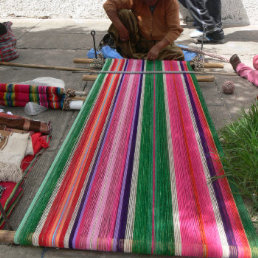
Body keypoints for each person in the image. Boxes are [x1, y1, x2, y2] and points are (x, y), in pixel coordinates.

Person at [103, 0, 184, 60]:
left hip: (160, 43)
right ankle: (134, 55)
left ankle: (136, 57)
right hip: (139, 41)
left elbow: (175, 30)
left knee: (178, 55)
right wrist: (121, 29)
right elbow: (108, 5)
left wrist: (158, 47)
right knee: (123, 14)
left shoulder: (171, 3)